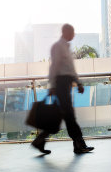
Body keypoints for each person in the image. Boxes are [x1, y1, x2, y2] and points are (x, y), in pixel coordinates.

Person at [31, 23, 94, 154]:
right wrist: (53, 86)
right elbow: (54, 67)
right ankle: (79, 144)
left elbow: (71, 69)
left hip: (66, 84)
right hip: (60, 84)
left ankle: (40, 141)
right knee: (69, 116)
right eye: (72, 32)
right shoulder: (58, 46)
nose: (74, 34)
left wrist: (78, 83)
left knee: (60, 116)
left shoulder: (66, 47)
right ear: (65, 32)